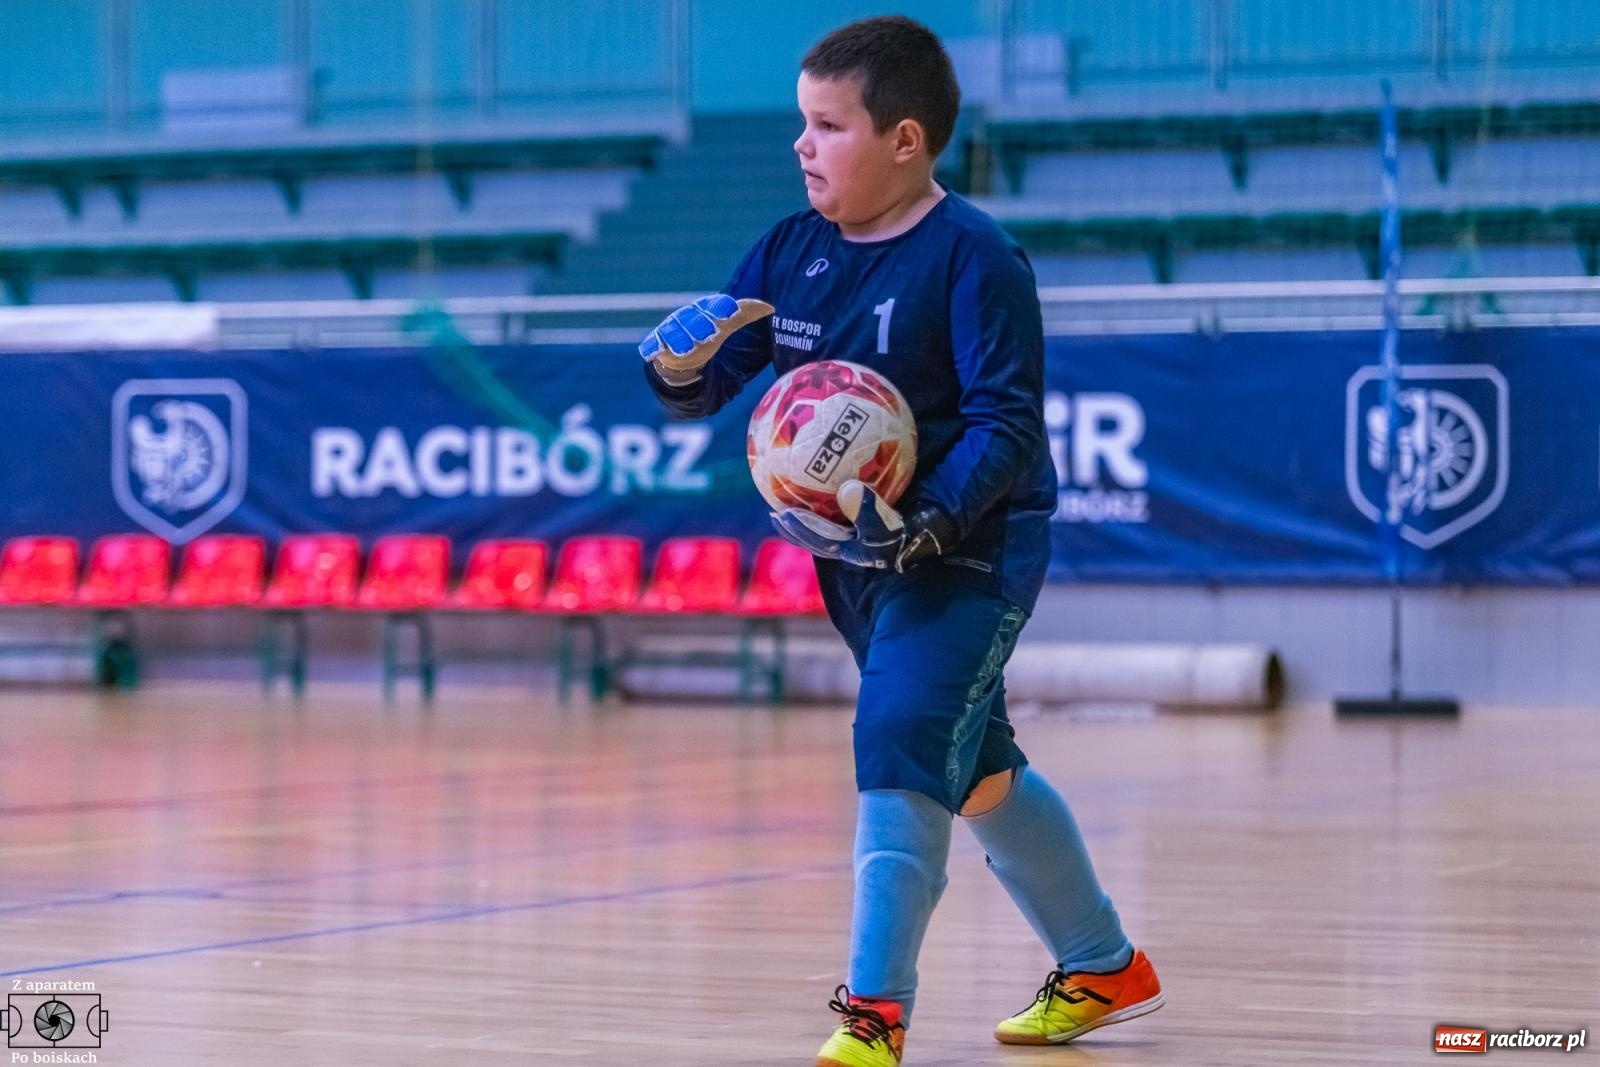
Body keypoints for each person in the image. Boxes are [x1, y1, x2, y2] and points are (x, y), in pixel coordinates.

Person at [638, 16, 1162, 1065]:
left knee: (898, 733)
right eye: (802, 122)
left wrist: (932, 523)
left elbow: (1007, 424)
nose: (801, 145)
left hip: (970, 549)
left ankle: (873, 1014)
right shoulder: (791, 250)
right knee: (973, 769)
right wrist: (676, 371)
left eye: (828, 126)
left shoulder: (976, 257)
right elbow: (720, 388)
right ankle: (1104, 963)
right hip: (856, 563)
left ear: (905, 140)